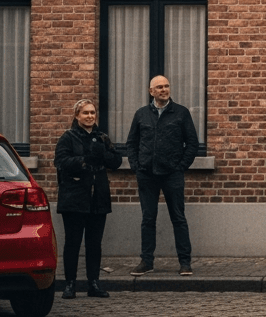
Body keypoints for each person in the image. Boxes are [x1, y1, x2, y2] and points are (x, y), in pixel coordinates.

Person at [126, 74, 199, 276]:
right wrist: (136, 166)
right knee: (148, 219)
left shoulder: (181, 113)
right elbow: (131, 143)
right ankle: (146, 262)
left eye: (166, 86)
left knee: (178, 218)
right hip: (147, 175)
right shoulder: (141, 114)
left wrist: (180, 166)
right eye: (159, 87)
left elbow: (192, 143)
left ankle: (185, 262)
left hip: (172, 174)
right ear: (151, 91)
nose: (164, 90)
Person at [54, 98, 123, 299]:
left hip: (97, 198)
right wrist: (84, 160)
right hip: (74, 198)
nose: (90, 116)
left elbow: (116, 161)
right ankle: (70, 284)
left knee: (94, 243)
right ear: (77, 116)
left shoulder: (102, 137)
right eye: (85, 113)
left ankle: (93, 283)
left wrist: (104, 156)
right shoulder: (68, 137)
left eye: (92, 113)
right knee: (73, 242)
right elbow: (60, 161)